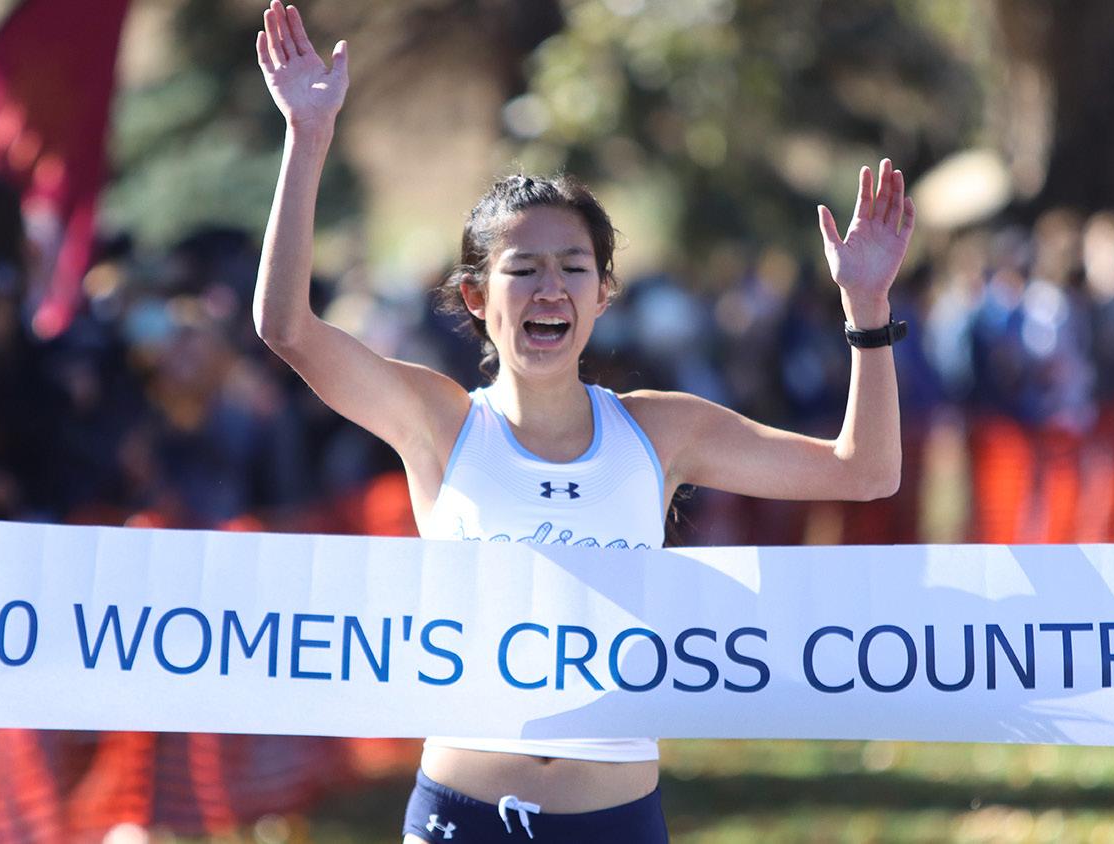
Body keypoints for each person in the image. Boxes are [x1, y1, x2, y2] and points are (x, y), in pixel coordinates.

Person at [250, 3, 913, 840]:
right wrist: (308, 135)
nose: (550, 289)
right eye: (523, 269)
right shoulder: (439, 424)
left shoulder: (661, 433)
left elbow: (865, 471)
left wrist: (867, 311)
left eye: (573, 268)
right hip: (462, 815)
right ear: (476, 297)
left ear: (604, 294)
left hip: (615, 819)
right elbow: (286, 328)